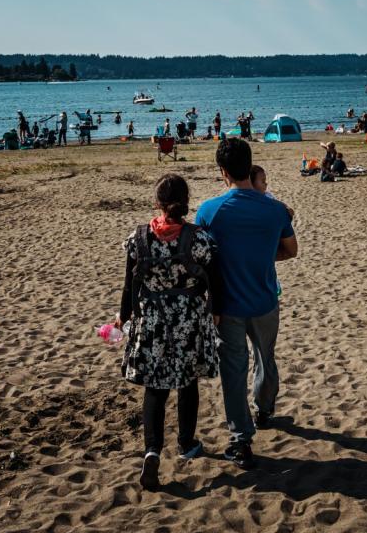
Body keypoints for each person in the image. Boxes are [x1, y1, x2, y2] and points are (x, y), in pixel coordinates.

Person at [196, 138, 297, 469]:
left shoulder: (209, 211)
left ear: (223, 172)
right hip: (266, 298)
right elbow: (290, 250)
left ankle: (241, 440)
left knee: (234, 371)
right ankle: (264, 408)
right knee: (265, 359)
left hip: (228, 307)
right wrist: (262, 258)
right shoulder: (276, 209)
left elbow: (200, 259)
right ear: (248, 166)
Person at [117, 174, 222, 490]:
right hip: (188, 320)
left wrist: (123, 318)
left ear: (157, 202)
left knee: (155, 388)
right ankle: (187, 443)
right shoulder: (200, 240)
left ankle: (152, 451)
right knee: (187, 383)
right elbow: (214, 283)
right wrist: (215, 314)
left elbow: (129, 285)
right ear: (186, 201)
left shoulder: (138, 239)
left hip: (152, 321)